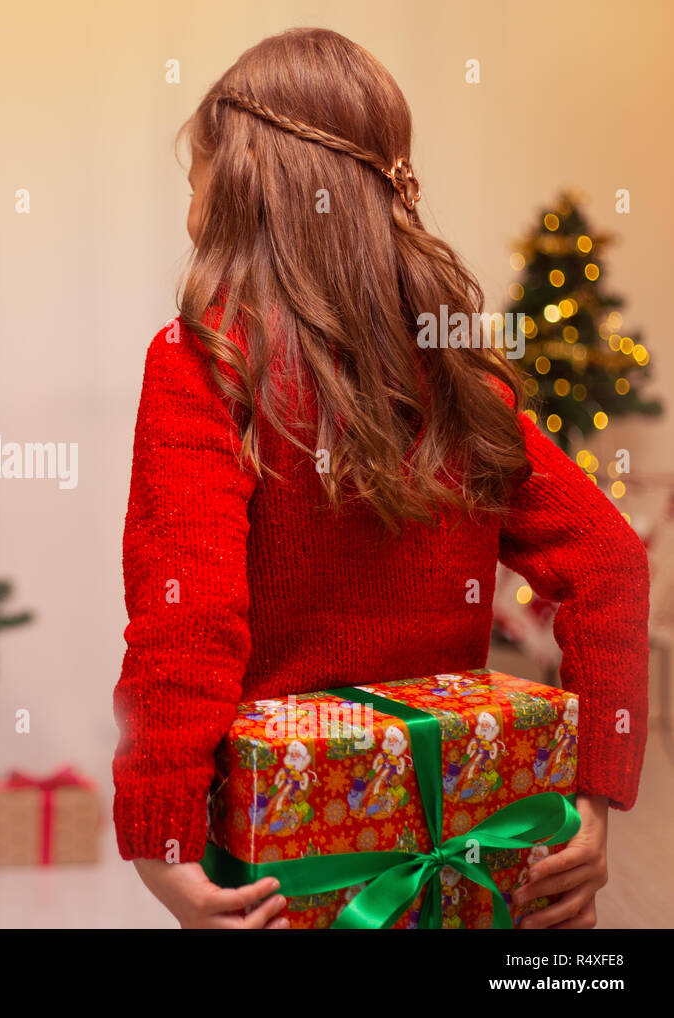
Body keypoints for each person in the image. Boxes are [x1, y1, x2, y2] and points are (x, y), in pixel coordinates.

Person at [112, 28, 647, 929]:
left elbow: (187, 619)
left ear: (241, 182)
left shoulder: (202, 361)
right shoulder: (458, 377)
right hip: (463, 860)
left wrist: (161, 844)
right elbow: (611, 562)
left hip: (285, 867)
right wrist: (590, 801)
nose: (189, 210)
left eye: (193, 180)